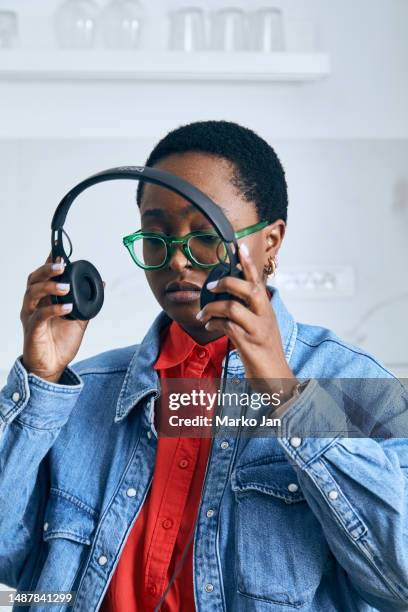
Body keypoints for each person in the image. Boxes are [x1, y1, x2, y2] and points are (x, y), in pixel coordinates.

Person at [0, 120, 407, 612]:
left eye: (206, 235)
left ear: (271, 243)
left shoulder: (353, 385)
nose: (177, 261)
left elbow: (398, 581)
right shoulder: (82, 390)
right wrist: (40, 382)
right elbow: (12, 563)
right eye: (157, 236)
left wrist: (288, 398)